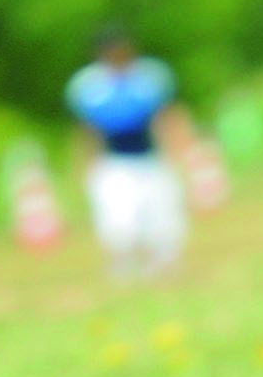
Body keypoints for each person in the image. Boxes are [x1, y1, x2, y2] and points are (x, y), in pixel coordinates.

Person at [65, 29, 193, 279]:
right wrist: (85, 166)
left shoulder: (151, 77)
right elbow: (87, 131)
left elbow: (168, 116)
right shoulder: (88, 87)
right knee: (120, 224)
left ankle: (163, 271)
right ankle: (124, 270)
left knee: (163, 221)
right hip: (114, 163)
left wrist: (181, 152)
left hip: (151, 159)